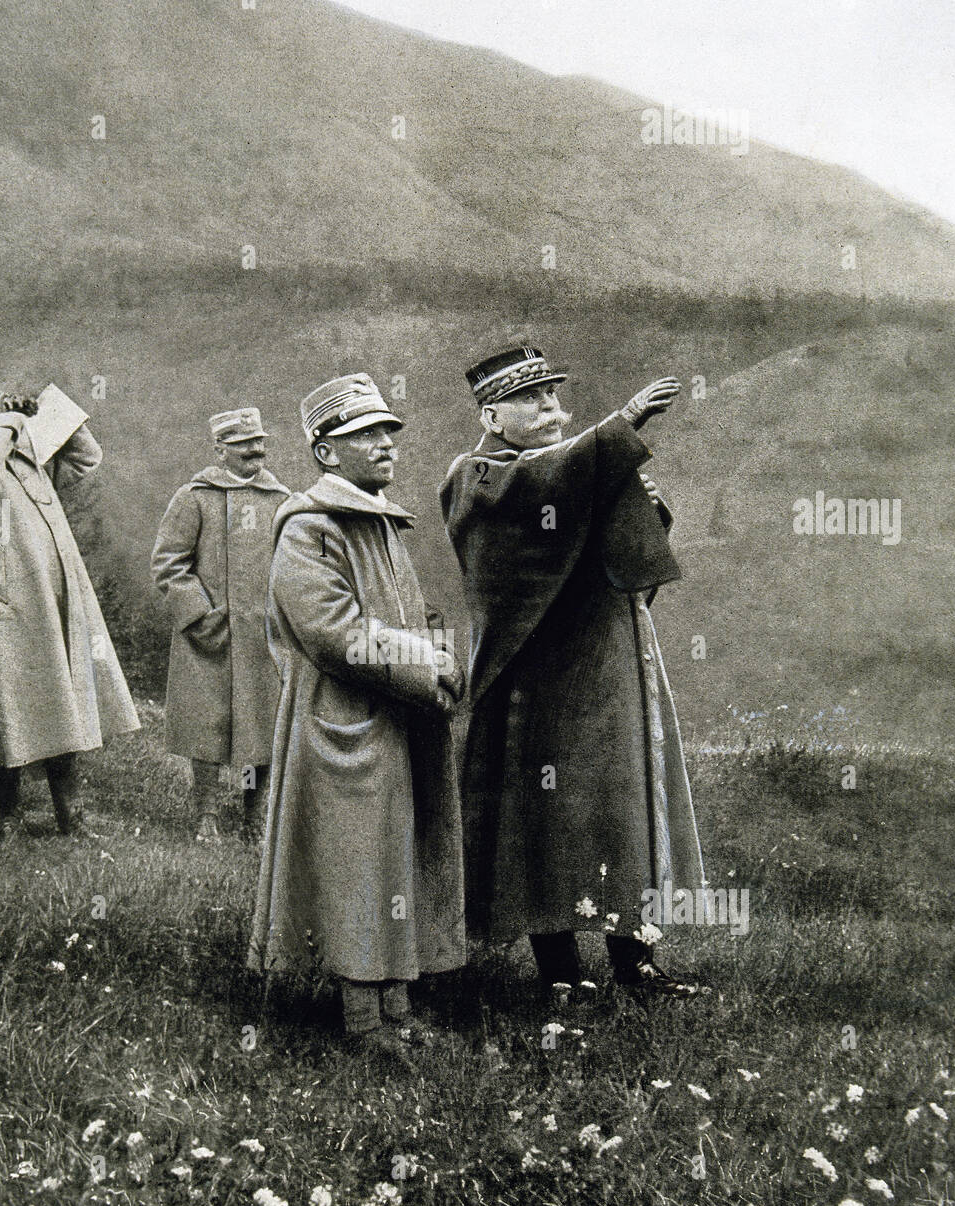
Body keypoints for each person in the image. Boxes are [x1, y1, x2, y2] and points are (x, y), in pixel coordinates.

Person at [440, 344, 704, 996]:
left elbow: (628, 555)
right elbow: (536, 487)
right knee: (543, 815)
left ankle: (634, 963)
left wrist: (638, 500)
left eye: (555, 395)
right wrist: (621, 427)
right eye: (531, 399)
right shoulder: (477, 478)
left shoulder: (575, 465)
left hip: (611, 665)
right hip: (535, 678)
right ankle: (559, 973)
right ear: (491, 415)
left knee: (623, 806)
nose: (552, 408)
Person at [248, 373, 465, 1064]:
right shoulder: (307, 529)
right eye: (364, 434)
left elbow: (409, 613)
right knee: (356, 867)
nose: (384, 445)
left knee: (395, 858)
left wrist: (438, 650)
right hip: (341, 725)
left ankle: (397, 1007)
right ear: (324, 453)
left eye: (386, 432)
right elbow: (332, 633)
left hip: (396, 719)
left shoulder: (379, 519)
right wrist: (426, 662)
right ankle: (360, 1020)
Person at [0, 376, 140, 835]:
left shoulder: (17, 453)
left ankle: (71, 816)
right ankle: (10, 819)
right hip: (3, 602)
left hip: (50, 598)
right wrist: (6, 420)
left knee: (59, 703)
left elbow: (88, 458)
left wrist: (45, 408)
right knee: (8, 705)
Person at [151, 407, 289, 840]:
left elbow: (295, 566)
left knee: (260, 730)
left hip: (264, 637)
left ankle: (254, 816)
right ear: (220, 449)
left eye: (259, 442)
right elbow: (169, 564)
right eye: (244, 444)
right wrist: (199, 616)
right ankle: (206, 815)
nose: (256, 450)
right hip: (207, 635)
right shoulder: (194, 497)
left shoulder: (282, 500)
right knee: (206, 726)